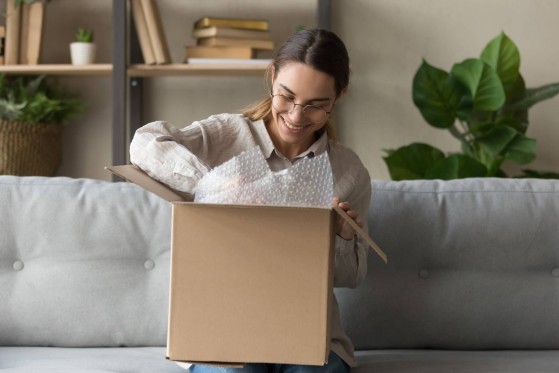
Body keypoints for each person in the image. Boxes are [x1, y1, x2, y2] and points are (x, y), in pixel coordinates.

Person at [130, 28, 371, 373]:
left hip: (309, 333)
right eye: (286, 97)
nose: (296, 116)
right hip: (225, 326)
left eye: (316, 106)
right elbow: (144, 144)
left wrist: (343, 238)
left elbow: (351, 277)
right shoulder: (227, 135)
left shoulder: (349, 172)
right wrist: (220, 186)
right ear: (272, 78)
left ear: (338, 98)